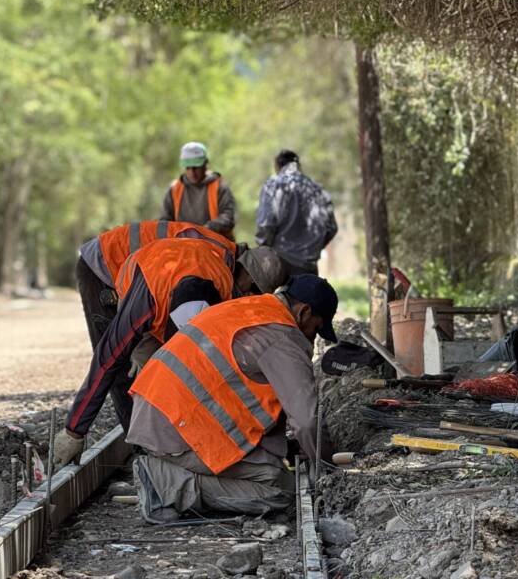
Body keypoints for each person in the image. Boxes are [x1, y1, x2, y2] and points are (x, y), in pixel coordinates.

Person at [125, 274, 339, 522]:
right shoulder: (283, 335)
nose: (312, 339)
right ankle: (165, 484)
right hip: (173, 428)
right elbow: (307, 421)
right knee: (281, 489)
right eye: (315, 330)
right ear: (304, 312)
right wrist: (328, 468)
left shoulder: (250, 308)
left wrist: (288, 447)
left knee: (271, 466)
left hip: (156, 411)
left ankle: (169, 469)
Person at [54, 239, 288, 464]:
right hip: (121, 273)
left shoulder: (222, 275)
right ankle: (145, 448)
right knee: (129, 367)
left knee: (175, 373)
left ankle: (164, 441)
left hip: (171, 286)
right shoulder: (150, 297)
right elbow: (107, 358)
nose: (250, 297)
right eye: (253, 290)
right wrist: (74, 430)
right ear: (249, 275)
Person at [75, 220, 237, 347]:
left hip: (119, 264)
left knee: (131, 348)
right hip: (100, 264)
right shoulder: (215, 256)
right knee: (115, 351)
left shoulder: (216, 253)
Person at [255, 149, 338, 276]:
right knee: (309, 290)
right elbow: (331, 227)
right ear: (299, 165)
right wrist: (314, 247)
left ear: (277, 166)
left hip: (281, 264)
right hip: (309, 265)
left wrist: (264, 250)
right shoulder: (317, 189)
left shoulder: (273, 186)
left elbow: (266, 224)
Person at [160, 142, 236, 240]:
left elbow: (228, 218)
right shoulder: (175, 189)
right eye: (188, 168)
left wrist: (206, 229)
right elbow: (165, 220)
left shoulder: (219, 187)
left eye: (196, 167)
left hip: (216, 243)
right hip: (182, 243)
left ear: (205, 164)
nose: (192, 172)